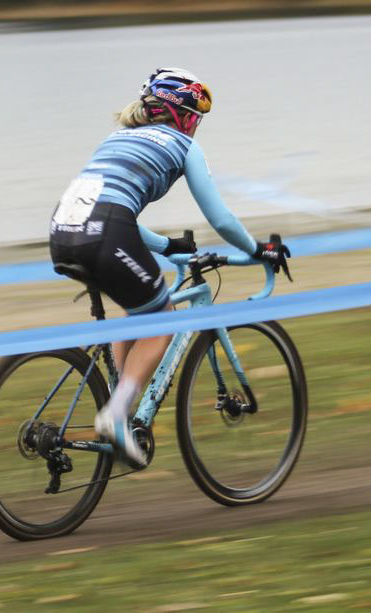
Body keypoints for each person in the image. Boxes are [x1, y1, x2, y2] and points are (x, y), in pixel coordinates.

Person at [48, 67, 291, 468]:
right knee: (163, 317)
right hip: (105, 232)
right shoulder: (183, 146)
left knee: (136, 305)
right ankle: (115, 415)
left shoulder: (116, 138)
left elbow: (113, 207)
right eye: (196, 119)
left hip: (62, 231)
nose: (196, 128)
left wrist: (166, 246)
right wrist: (257, 248)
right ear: (182, 116)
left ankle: (118, 403)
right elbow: (221, 219)